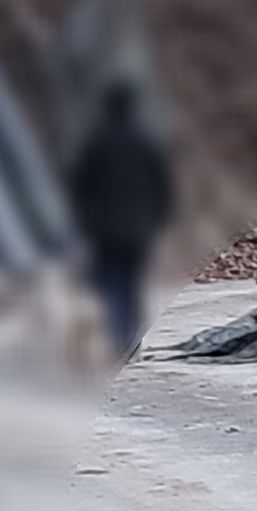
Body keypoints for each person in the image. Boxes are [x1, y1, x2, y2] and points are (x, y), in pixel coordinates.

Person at [68, 79, 174, 361]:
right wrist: (159, 221)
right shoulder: (146, 144)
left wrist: (84, 222)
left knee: (110, 283)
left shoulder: (96, 145)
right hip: (138, 229)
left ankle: (118, 338)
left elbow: (79, 186)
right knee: (131, 284)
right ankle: (129, 338)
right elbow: (163, 186)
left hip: (104, 229)